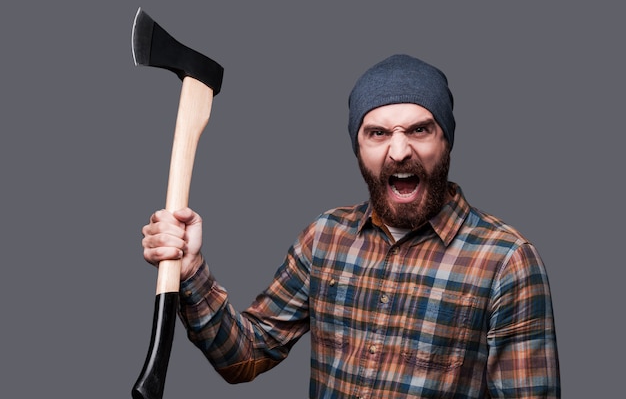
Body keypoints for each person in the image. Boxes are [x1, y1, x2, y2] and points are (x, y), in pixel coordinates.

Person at [141, 54, 561, 398]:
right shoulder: (326, 237)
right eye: (377, 133)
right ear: (358, 149)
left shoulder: (507, 262)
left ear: (446, 141)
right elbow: (244, 355)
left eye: (419, 129)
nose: (399, 151)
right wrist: (191, 269)